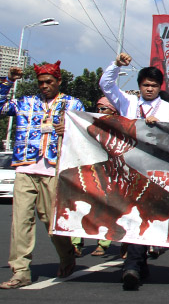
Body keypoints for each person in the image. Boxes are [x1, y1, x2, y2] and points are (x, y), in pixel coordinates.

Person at [99, 52, 169, 291]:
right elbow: (105, 85)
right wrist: (116, 64)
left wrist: (162, 127)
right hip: (126, 168)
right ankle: (139, 263)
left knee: (140, 215)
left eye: (154, 86)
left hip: (154, 171)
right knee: (129, 216)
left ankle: (132, 266)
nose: (149, 89)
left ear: (160, 87)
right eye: (146, 85)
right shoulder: (128, 103)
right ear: (139, 86)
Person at [0, 61, 80, 289]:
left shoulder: (72, 103)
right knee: (21, 222)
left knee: (49, 219)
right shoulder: (26, 102)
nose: (44, 86)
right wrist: (8, 81)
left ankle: (67, 256)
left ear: (58, 82)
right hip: (25, 168)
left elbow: (86, 130)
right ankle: (21, 272)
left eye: (49, 82)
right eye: (41, 83)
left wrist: (70, 130)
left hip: (54, 169)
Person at [71, 96, 118, 258]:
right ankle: (75, 243)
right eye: (97, 108)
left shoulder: (121, 127)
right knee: (80, 206)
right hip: (89, 171)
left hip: (110, 174)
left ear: (114, 110)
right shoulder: (90, 124)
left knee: (105, 208)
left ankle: (103, 243)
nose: (99, 112)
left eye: (103, 109)